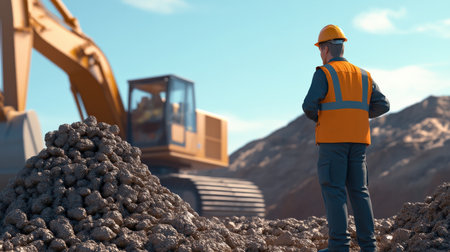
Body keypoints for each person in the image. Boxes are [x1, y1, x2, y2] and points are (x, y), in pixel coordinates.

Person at [302, 24, 390, 252]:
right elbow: (383, 105)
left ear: (324, 49)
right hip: (358, 141)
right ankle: (369, 247)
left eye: (320, 50)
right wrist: (357, 116)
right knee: (360, 191)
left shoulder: (324, 73)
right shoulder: (363, 75)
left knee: (334, 190)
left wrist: (328, 119)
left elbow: (308, 106)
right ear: (342, 47)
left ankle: (339, 246)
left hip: (333, 142)